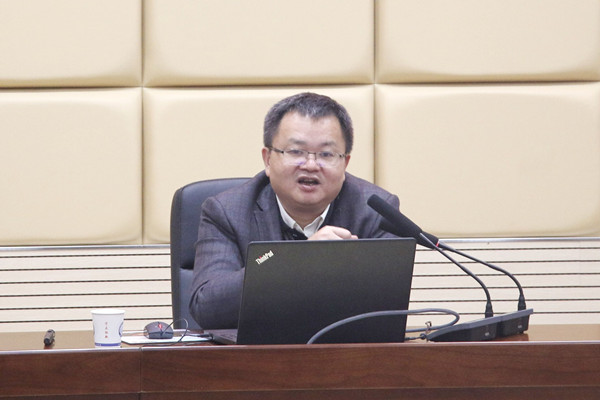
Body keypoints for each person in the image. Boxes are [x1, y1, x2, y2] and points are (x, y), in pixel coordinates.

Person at [190, 92, 400, 328]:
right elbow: (207, 306)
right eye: (296, 152)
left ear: (345, 163)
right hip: (259, 349)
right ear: (268, 160)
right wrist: (299, 262)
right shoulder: (227, 212)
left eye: (326, 154)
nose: (310, 165)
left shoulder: (376, 212)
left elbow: (386, 312)